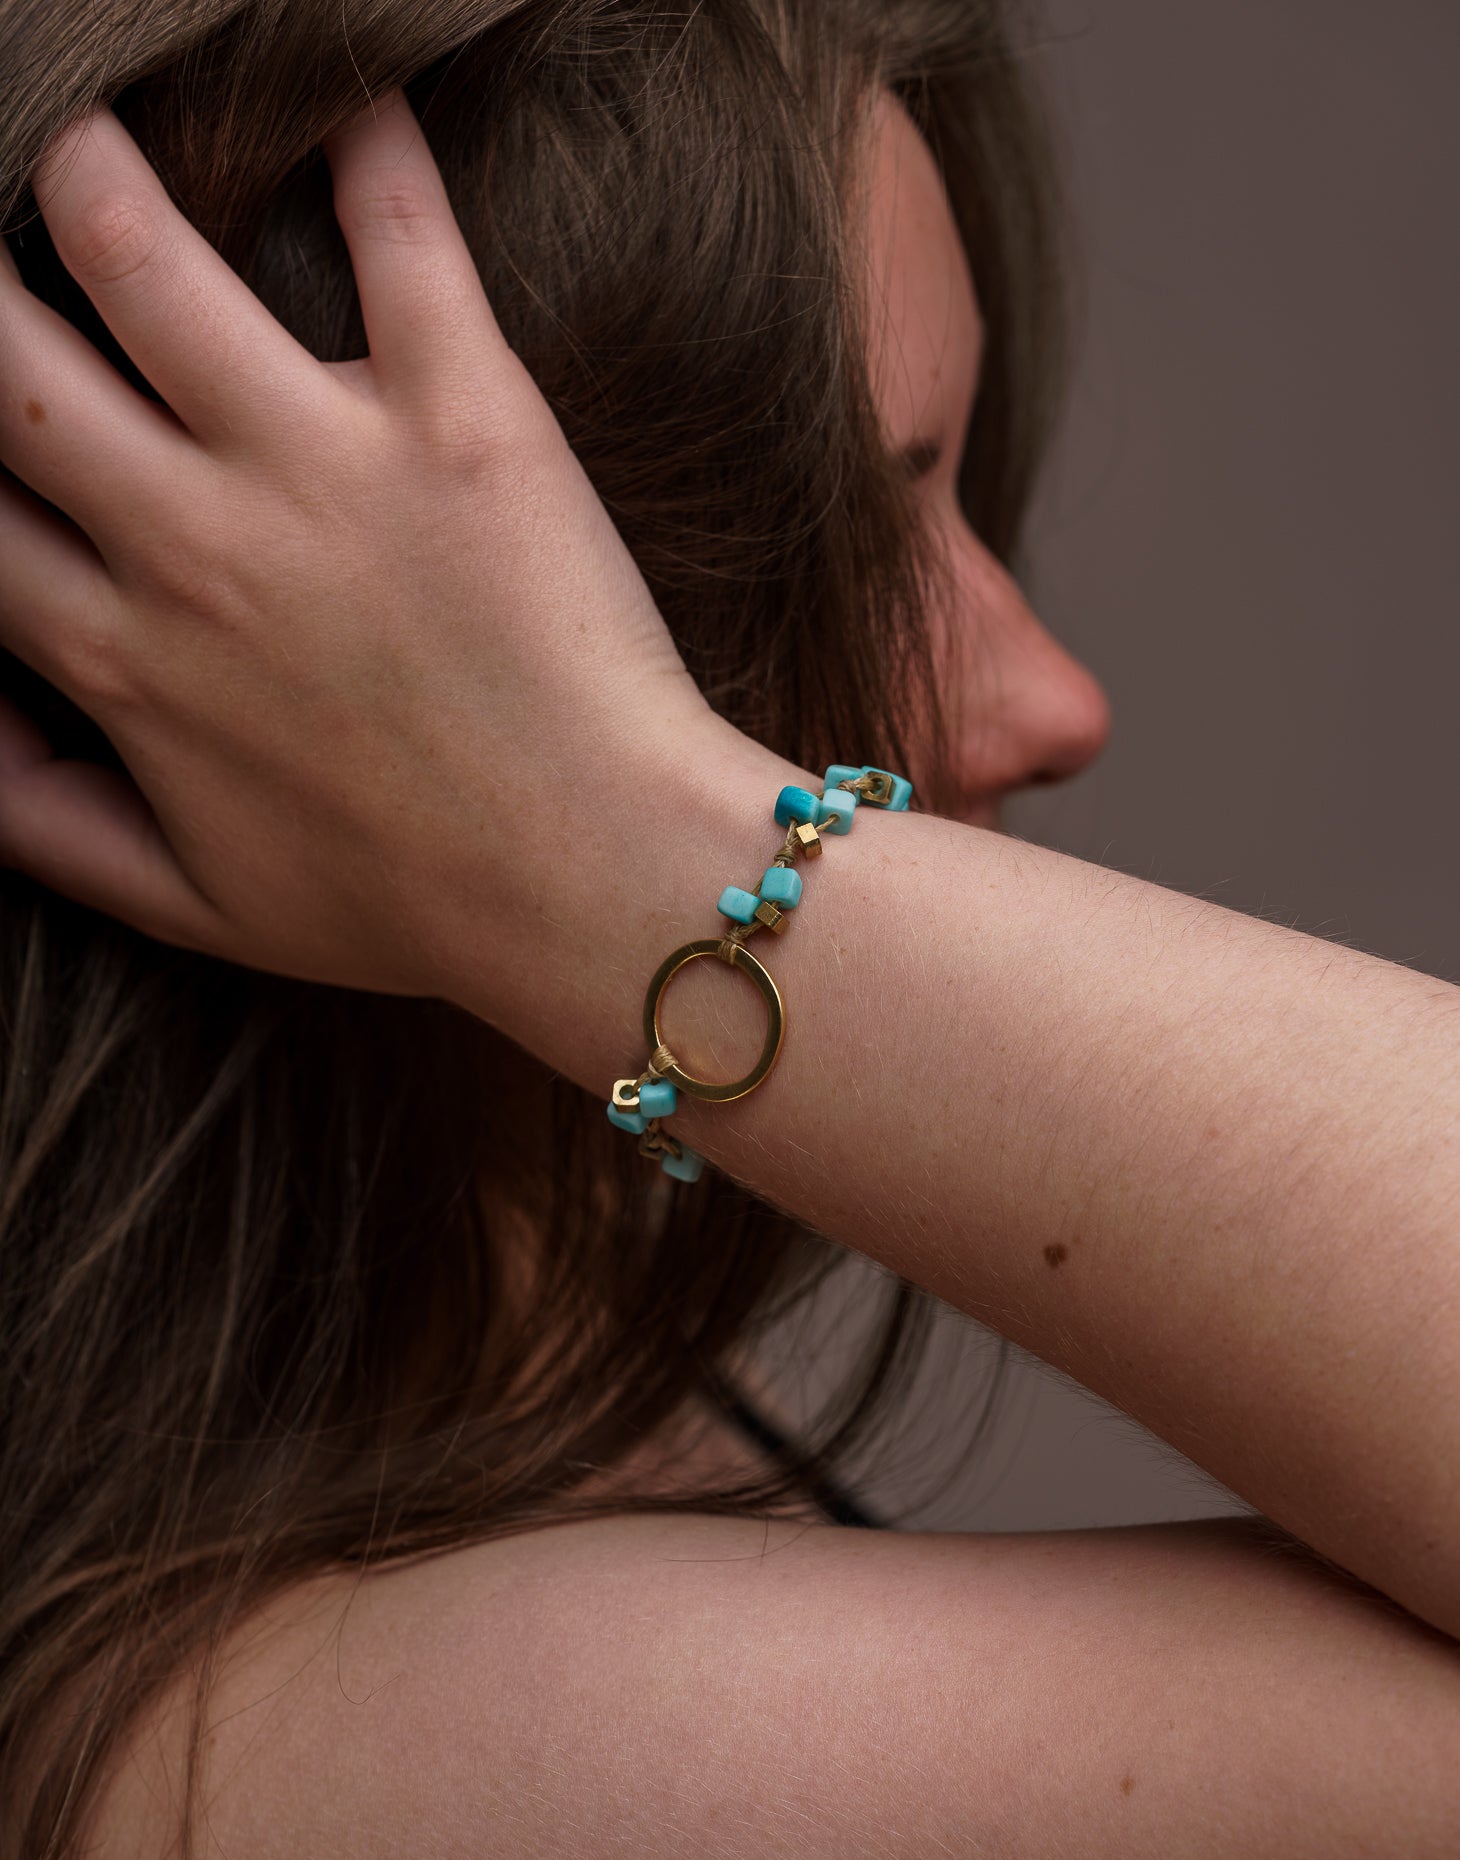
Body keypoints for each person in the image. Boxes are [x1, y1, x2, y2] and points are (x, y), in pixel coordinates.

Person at [2, 3, 1458, 1856]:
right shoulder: (328, 1748)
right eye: (859, 544)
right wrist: (624, 852)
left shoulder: (492, 1429)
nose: (1052, 698)